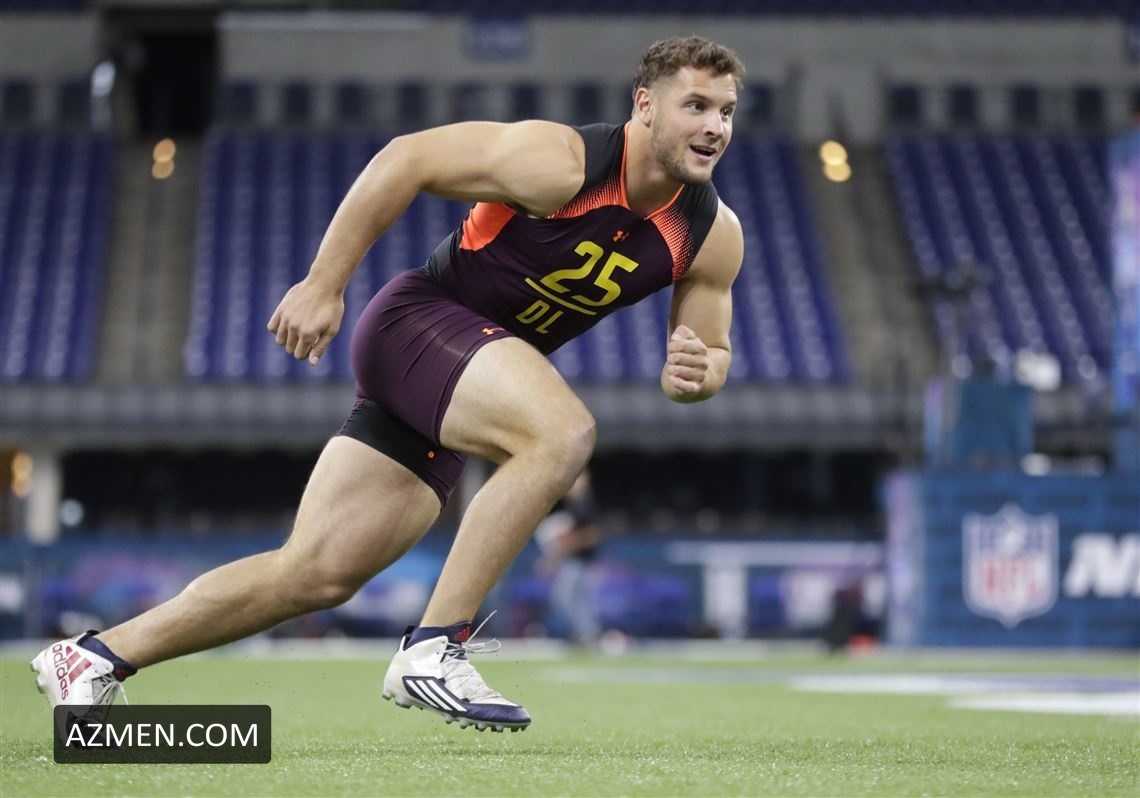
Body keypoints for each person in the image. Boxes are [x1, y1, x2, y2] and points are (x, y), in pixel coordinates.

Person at [32, 35, 745, 734]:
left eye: (726, 111)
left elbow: (711, 354)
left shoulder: (712, 234)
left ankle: (91, 658)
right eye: (696, 105)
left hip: (466, 373)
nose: (715, 126)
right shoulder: (560, 162)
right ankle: (436, 647)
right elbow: (406, 157)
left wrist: (697, 376)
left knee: (316, 573)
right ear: (644, 105)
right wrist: (324, 283)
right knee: (561, 434)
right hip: (421, 325)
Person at [534, 471, 603, 645]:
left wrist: (567, 544)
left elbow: (594, 534)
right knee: (571, 597)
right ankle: (587, 634)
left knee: (569, 596)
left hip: (583, 560)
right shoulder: (573, 505)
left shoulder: (586, 504)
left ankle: (589, 634)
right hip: (575, 560)